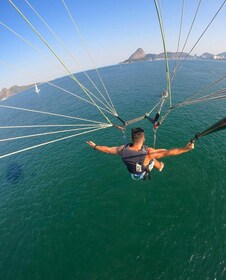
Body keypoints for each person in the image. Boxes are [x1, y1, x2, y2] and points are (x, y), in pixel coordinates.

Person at [87, 127, 194, 180]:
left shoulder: (122, 149)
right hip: (142, 172)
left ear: (131, 138)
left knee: (153, 156)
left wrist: (95, 146)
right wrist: (186, 148)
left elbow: (107, 149)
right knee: (155, 157)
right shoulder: (149, 153)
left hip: (132, 172)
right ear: (144, 139)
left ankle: (157, 165)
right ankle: (160, 166)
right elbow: (169, 152)